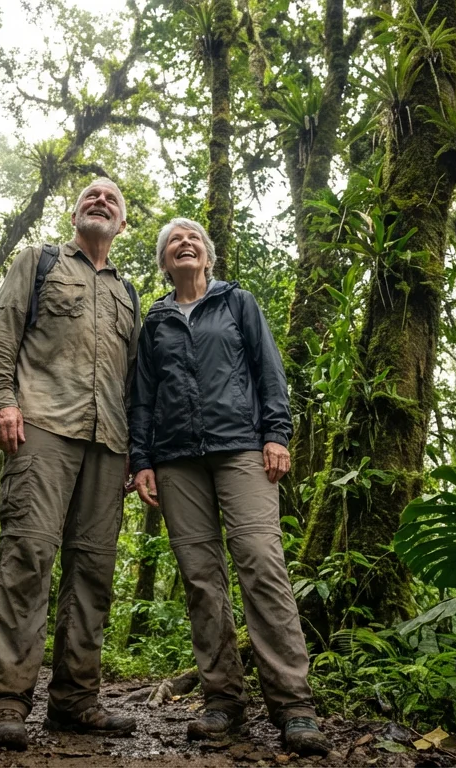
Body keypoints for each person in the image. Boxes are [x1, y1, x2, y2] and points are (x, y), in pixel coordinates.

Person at [128, 218, 331, 756]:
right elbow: (143, 397)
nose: (185, 244)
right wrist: (141, 460)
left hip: (242, 446)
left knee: (262, 564)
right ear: (164, 261)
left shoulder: (237, 303)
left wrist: (278, 433)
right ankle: (223, 701)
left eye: (193, 238)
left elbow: (269, 371)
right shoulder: (155, 321)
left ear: (208, 256)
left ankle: (294, 706)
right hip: (175, 460)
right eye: (174, 242)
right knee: (201, 579)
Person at [0, 178, 141, 750]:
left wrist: (135, 454)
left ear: (123, 224)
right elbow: (3, 330)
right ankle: (5, 701)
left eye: (111, 199)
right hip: (41, 425)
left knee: (92, 573)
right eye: (90, 195)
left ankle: (75, 701)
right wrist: (1, 399)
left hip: (109, 445)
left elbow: (135, 380)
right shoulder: (40, 261)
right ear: (75, 213)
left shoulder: (129, 293)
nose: (100, 201)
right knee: (28, 556)